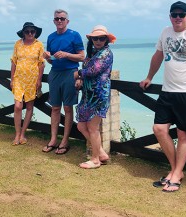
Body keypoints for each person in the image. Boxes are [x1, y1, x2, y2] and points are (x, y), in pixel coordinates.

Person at [140, 1, 186, 192]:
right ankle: (176, 170)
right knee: (159, 129)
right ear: (170, 16)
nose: (178, 18)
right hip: (167, 91)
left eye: (182, 14)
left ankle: (176, 174)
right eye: (174, 14)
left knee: (183, 134)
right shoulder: (165, 32)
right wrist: (149, 77)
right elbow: (158, 56)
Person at [42, 9, 85, 155]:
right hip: (55, 73)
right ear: (54, 21)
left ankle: (65, 141)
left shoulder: (74, 35)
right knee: (54, 108)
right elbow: (50, 60)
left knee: (67, 108)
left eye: (62, 18)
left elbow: (82, 57)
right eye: (57, 18)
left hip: (69, 73)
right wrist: (47, 57)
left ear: (67, 21)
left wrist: (66, 54)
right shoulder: (51, 37)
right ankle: (53, 139)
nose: (59, 21)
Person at [74, 25, 115, 169]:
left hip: (98, 95)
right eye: (95, 38)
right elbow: (87, 68)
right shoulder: (92, 53)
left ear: (106, 40)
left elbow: (94, 70)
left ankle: (96, 159)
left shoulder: (106, 53)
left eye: (101, 38)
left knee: (92, 127)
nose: (98, 41)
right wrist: (80, 79)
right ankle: (101, 153)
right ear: (91, 40)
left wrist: (79, 74)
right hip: (87, 95)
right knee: (81, 125)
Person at [10, 22, 45, 145]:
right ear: (23, 33)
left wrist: (39, 80)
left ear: (35, 33)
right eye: (27, 31)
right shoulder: (18, 44)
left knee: (29, 107)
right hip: (19, 79)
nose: (30, 34)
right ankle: (17, 134)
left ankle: (23, 133)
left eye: (32, 31)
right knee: (18, 106)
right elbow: (14, 61)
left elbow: (41, 64)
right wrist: (12, 79)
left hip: (32, 80)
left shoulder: (39, 45)